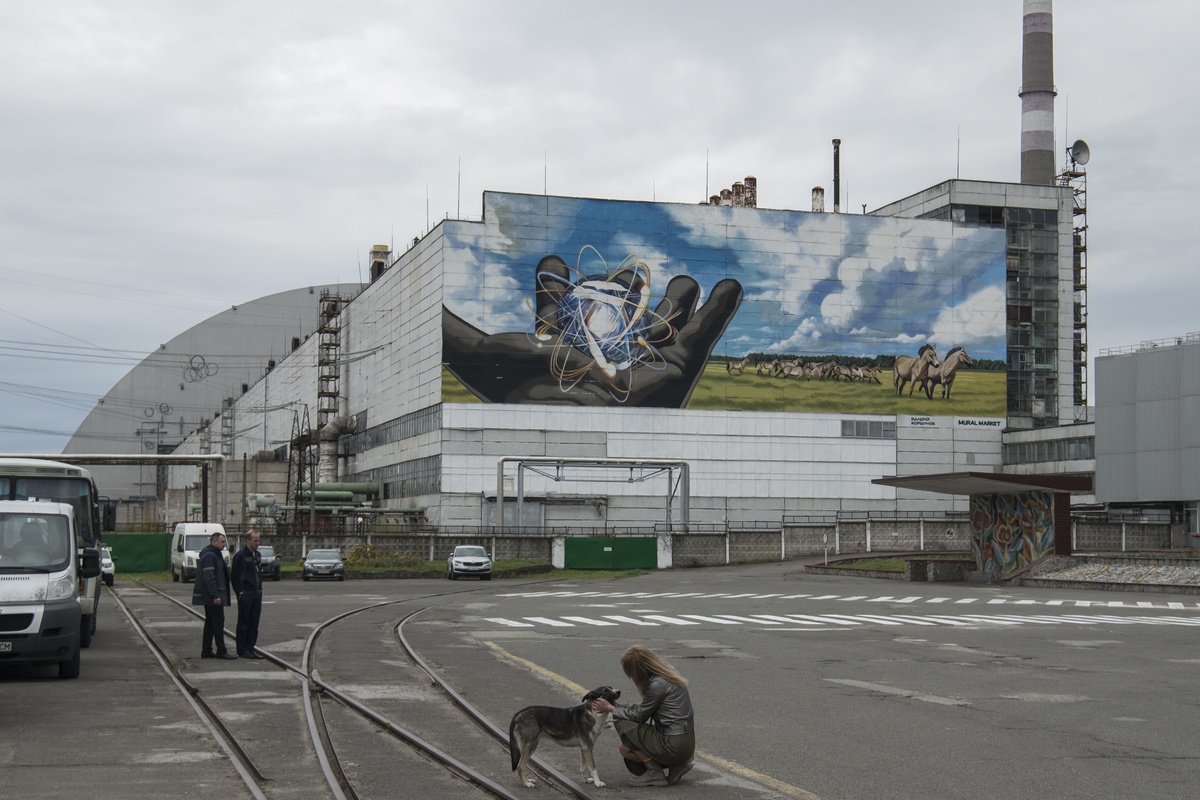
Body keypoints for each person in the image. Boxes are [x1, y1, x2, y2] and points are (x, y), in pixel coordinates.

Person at [591, 644, 696, 787]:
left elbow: (639, 716)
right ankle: (677, 766)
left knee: (623, 724)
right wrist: (617, 706)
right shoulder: (667, 675)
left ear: (637, 670)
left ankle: (655, 773)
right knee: (625, 749)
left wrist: (611, 709)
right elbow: (644, 708)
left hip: (673, 744)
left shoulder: (657, 685)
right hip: (686, 743)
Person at [191, 531, 236, 660]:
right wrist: (215, 595)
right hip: (212, 597)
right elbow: (209, 577)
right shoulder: (210, 556)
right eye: (222, 542)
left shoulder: (214, 555)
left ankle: (207, 650)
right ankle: (221, 650)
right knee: (218, 622)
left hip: (212, 596)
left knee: (210, 622)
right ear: (214, 542)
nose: (224, 545)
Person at [230, 529, 264, 659]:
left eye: (258, 540)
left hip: (256, 593)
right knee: (244, 622)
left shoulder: (258, 555)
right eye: (255, 541)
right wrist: (240, 592)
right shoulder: (240, 556)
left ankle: (251, 648)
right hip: (246, 593)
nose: (257, 543)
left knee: (254, 623)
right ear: (248, 541)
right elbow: (234, 576)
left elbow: (258, 573)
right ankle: (242, 649)